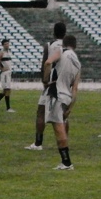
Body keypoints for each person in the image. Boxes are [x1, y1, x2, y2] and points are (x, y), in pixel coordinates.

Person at [25, 21, 66, 151]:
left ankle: (38, 143)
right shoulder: (67, 47)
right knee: (63, 114)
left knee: (41, 112)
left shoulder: (49, 45)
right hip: (65, 82)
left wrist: (44, 80)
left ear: (54, 32)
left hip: (52, 83)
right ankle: (65, 141)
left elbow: (45, 63)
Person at [45, 35, 81, 170]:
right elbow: (75, 88)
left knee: (58, 128)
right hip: (67, 96)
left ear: (64, 43)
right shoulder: (77, 62)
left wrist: (46, 80)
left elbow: (48, 62)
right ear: (75, 45)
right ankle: (65, 162)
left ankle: (66, 162)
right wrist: (70, 108)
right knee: (61, 125)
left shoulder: (61, 51)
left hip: (57, 94)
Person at [0, 38, 15, 113]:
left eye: (8, 43)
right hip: (5, 74)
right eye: (5, 44)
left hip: (8, 73)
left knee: (5, 91)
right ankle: (8, 108)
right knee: (7, 90)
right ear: (3, 45)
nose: (7, 45)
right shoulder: (2, 53)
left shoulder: (8, 52)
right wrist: (1, 69)